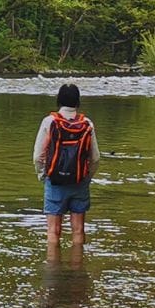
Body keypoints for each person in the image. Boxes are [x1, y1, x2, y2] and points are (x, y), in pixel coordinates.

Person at [34, 83, 101, 259]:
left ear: (59, 100)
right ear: (78, 101)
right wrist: (86, 177)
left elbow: (38, 156)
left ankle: (54, 272)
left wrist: (43, 175)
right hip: (80, 181)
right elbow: (95, 158)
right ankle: (77, 270)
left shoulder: (50, 121)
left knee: (53, 231)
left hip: (54, 181)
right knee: (78, 230)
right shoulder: (87, 123)